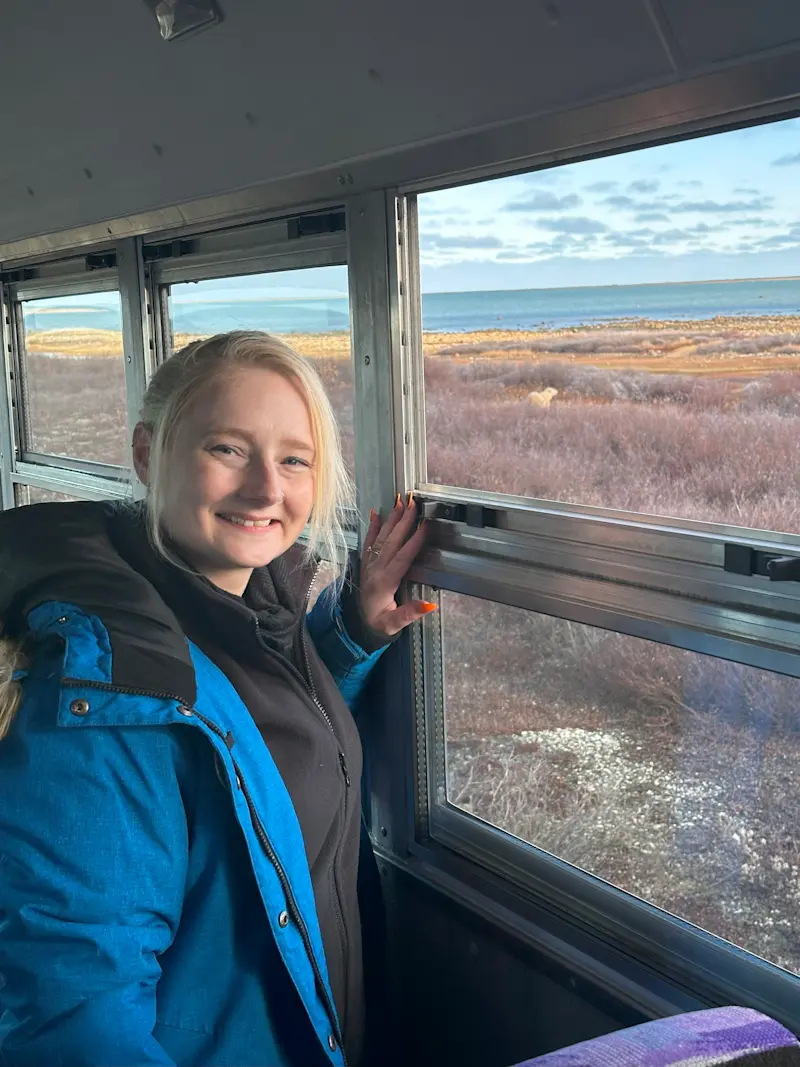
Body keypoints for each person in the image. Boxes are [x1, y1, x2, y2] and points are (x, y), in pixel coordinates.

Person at [0, 330, 434, 1067]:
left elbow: (250, 746)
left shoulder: (251, 608)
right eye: (228, 449)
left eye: (294, 459)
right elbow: (73, 1024)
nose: (268, 488)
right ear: (147, 455)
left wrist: (350, 635)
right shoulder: (106, 705)